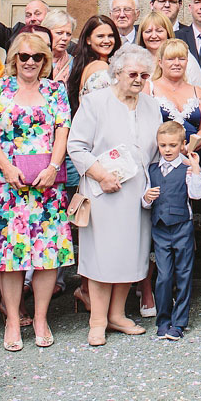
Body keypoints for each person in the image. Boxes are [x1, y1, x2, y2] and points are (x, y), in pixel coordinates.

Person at [0, 31, 72, 351]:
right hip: (8, 184)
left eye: (37, 57)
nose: (30, 62)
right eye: (24, 56)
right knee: (9, 255)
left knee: (47, 254)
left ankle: (42, 318)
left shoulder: (56, 90)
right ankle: (13, 319)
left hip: (47, 184)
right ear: (14, 58)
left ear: (45, 60)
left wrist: (53, 166)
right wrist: (6, 167)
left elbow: (63, 132)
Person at [67, 45, 163, 345]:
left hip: (137, 194)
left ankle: (118, 315)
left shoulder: (151, 105)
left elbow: (157, 150)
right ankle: (97, 320)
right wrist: (101, 175)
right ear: (116, 73)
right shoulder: (95, 102)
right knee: (101, 255)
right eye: (132, 74)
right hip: (103, 190)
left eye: (144, 75)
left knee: (131, 254)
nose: (138, 79)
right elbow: (76, 145)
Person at [142, 121, 201, 340]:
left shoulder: (187, 168)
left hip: (182, 227)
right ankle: (163, 321)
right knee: (163, 276)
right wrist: (146, 198)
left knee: (184, 274)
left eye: (172, 145)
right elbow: (145, 201)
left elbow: (196, 195)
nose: (167, 150)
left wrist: (196, 170)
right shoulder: (152, 169)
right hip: (160, 230)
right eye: (163, 145)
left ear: (182, 145)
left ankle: (179, 323)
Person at [149, 39, 201, 150]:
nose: (177, 63)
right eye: (171, 59)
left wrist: (188, 148)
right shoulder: (150, 88)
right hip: (161, 156)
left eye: (182, 59)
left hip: (193, 154)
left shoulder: (197, 91)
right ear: (160, 62)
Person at [67, 14, 119, 104]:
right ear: (88, 40)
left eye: (110, 36)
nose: (107, 40)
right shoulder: (100, 66)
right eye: (100, 36)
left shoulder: (87, 64)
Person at [43, 9, 75, 87]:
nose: (65, 38)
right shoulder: (34, 59)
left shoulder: (75, 64)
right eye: (59, 33)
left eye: (68, 34)